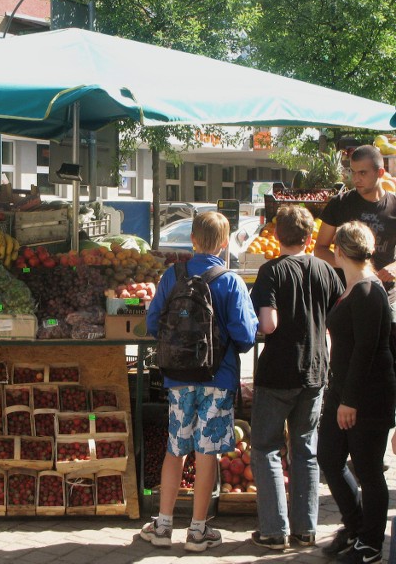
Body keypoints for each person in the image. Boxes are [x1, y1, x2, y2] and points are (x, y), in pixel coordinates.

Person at [140, 211, 258, 551]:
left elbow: (152, 324)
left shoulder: (172, 275)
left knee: (175, 449)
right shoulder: (230, 280)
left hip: (178, 378)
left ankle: (162, 526)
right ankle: (197, 530)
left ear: (192, 239)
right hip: (217, 379)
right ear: (224, 243)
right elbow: (246, 336)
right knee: (207, 455)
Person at [249, 206, 344, 550]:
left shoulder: (270, 271)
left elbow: (268, 324)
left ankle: (274, 531)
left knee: (266, 448)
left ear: (277, 236)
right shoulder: (325, 269)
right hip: (316, 371)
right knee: (306, 450)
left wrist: (256, 324)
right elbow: (337, 316)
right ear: (308, 237)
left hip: (278, 371)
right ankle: (306, 529)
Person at [317, 221, 395, 564]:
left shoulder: (367, 290)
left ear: (339, 250)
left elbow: (366, 351)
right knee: (330, 458)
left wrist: (349, 400)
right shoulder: (353, 287)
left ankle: (371, 544)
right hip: (343, 389)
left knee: (367, 469)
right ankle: (355, 525)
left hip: (367, 395)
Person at [314, 144, 396, 316]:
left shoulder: (394, 205)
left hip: (385, 297)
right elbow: (320, 249)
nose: (356, 179)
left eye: (363, 173)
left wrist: (395, 267)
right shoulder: (340, 203)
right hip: (345, 295)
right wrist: (348, 265)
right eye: (353, 172)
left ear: (380, 173)